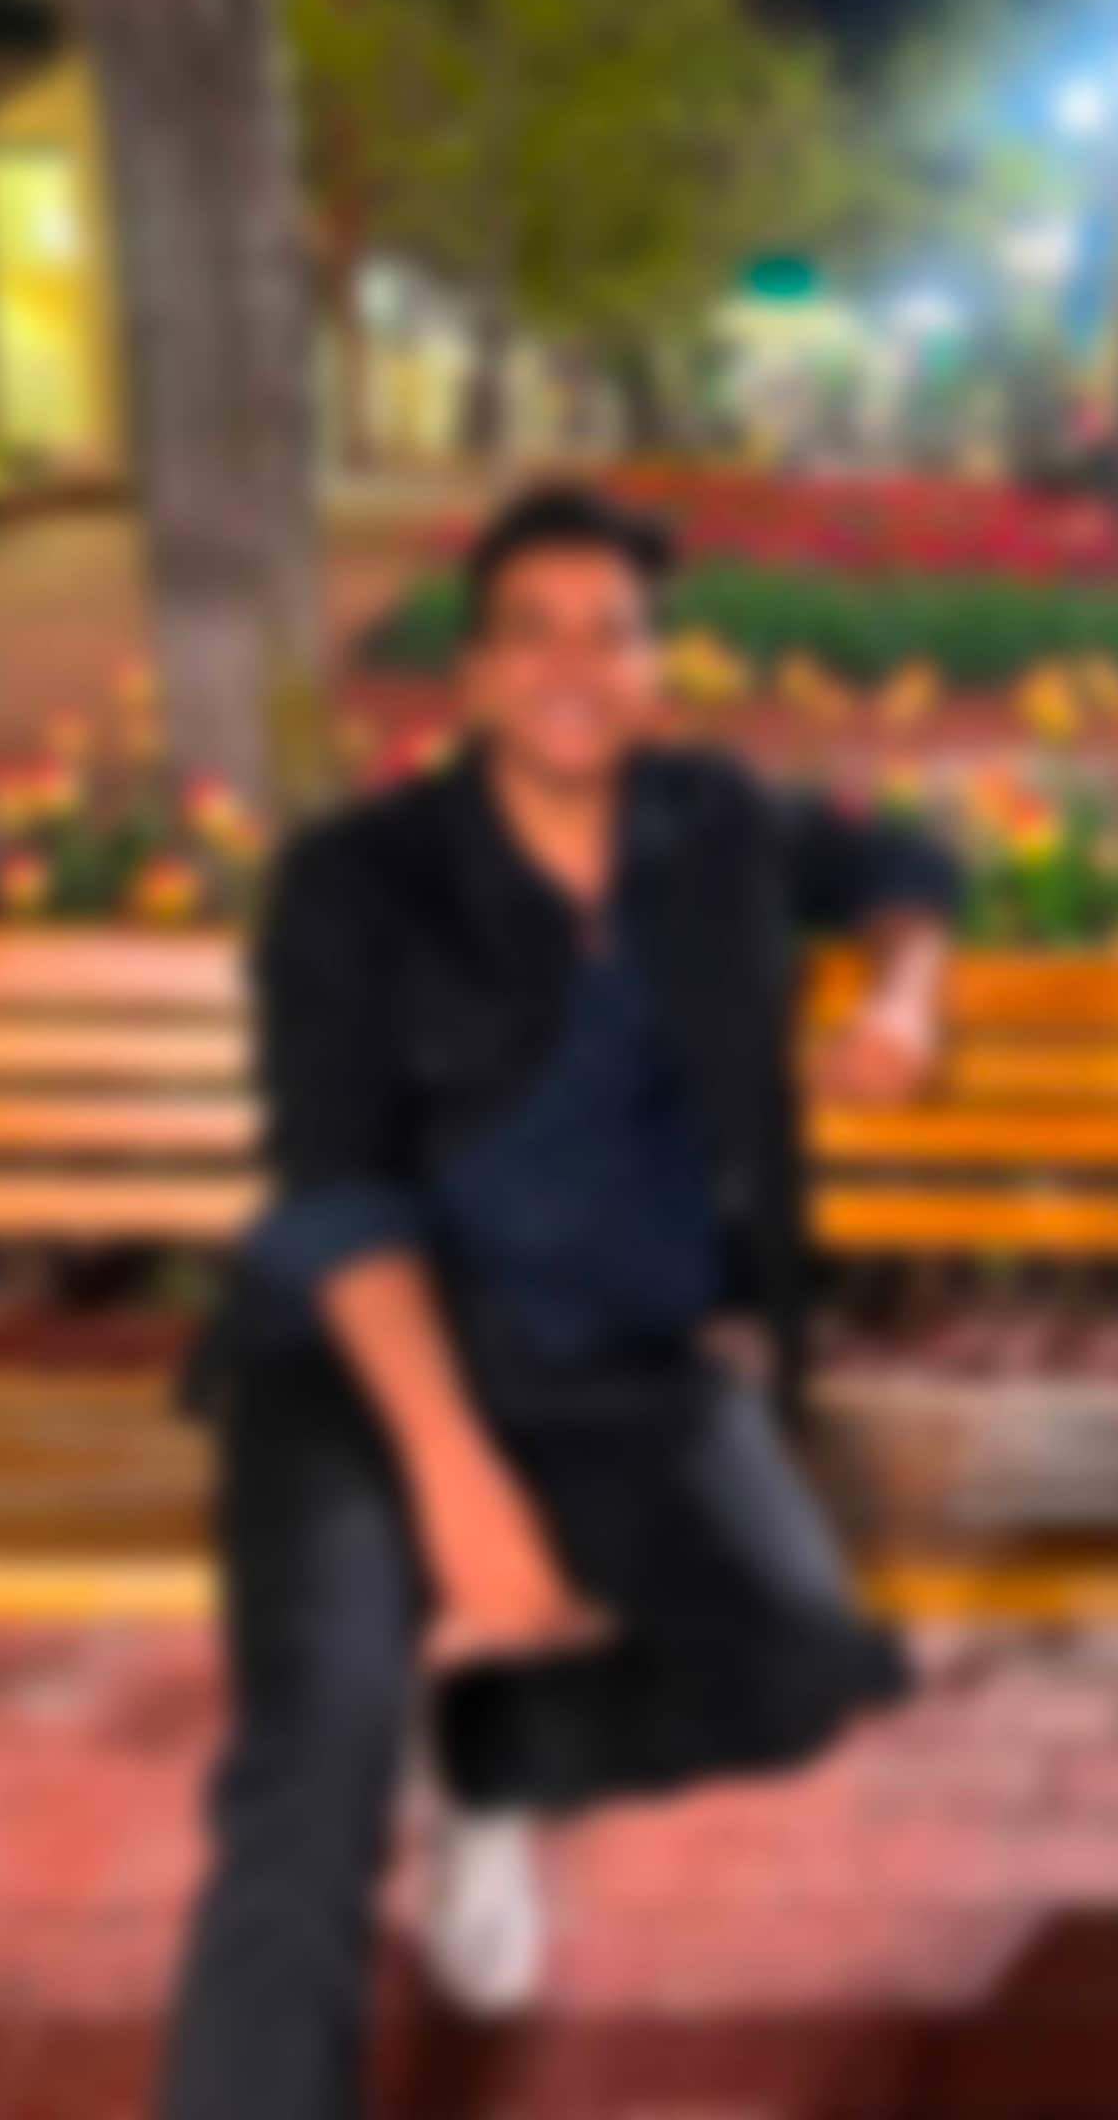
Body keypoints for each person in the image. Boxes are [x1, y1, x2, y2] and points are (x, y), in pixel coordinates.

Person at [160, 485, 959, 2120]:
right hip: (364, 1373)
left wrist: (905, 995)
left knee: (807, 1666)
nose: (574, 667)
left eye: (612, 633)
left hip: (623, 1371)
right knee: (313, 1770)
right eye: (532, 634)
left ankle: (497, 1757)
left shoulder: (715, 825)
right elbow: (335, 1193)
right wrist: (458, 1486)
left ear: (656, 668)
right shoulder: (359, 878)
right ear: (472, 673)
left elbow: (906, 859)